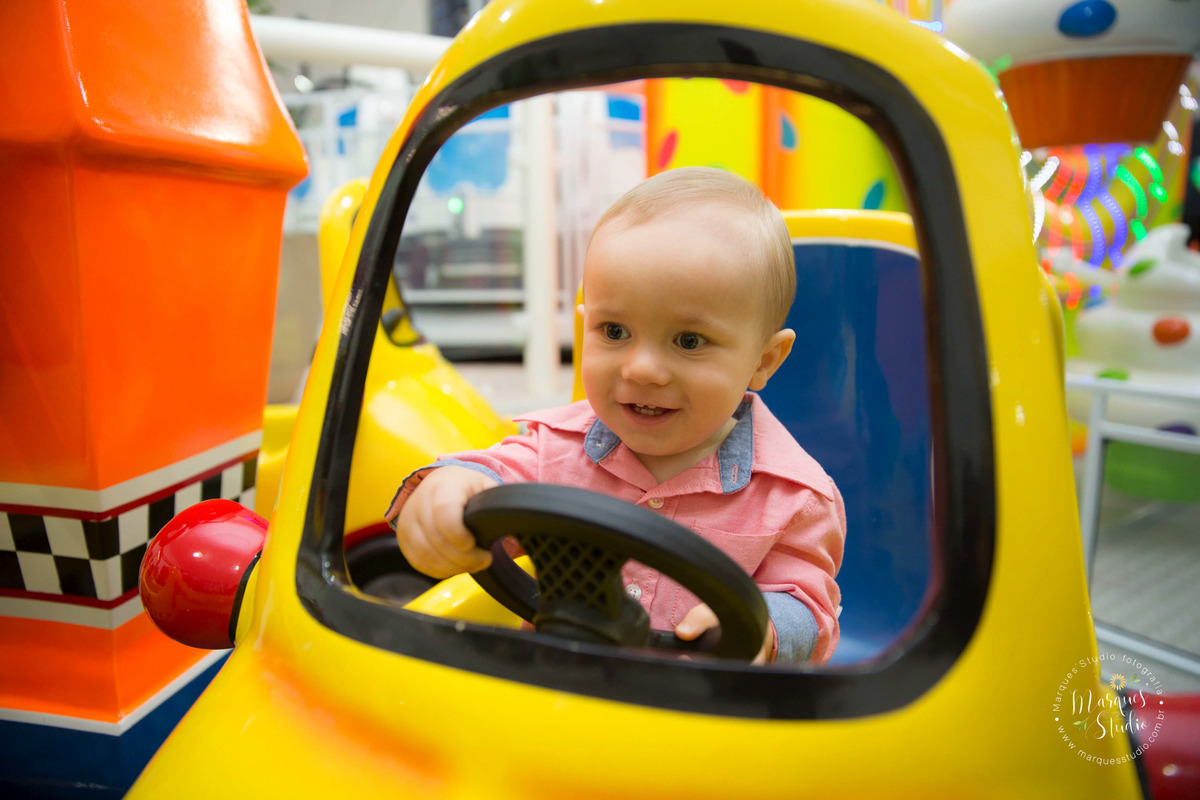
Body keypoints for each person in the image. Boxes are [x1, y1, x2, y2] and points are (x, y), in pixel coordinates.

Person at [385, 167, 845, 664]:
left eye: (688, 341)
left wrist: (763, 626)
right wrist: (445, 493)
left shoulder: (794, 498)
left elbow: (810, 611)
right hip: (565, 698)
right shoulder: (553, 449)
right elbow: (490, 474)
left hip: (706, 716)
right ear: (585, 327)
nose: (642, 369)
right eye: (615, 331)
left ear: (763, 360)